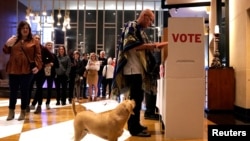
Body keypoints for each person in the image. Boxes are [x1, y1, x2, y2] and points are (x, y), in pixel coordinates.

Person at [111, 9, 167, 137]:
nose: (150, 23)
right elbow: (131, 45)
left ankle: (136, 124)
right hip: (131, 70)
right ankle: (133, 128)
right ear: (145, 17)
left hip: (137, 70)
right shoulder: (131, 26)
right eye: (150, 20)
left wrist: (154, 45)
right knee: (134, 100)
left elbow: (141, 45)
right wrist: (153, 46)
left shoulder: (139, 30)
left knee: (138, 99)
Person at [3, 21, 42, 120]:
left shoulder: (34, 41)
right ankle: (11, 111)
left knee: (25, 91)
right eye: (23, 28)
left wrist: (37, 66)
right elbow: (6, 51)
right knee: (13, 92)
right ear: (19, 30)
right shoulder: (15, 40)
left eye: (27, 28)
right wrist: (7, 43)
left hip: (27, 70)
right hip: (13, 69)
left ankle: (23, 111)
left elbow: (38, 56)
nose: (25, 30)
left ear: (29, 30)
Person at [28, 35, 55, 114]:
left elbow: (51, 58)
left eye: (39, 38)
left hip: (40, 71)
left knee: (39, 88)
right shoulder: (30, 47)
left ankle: (39, 106)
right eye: (36, 38)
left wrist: (44, 63)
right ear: (33, 38)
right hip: (31, 71)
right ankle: (27, 105)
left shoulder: (43, 48)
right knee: (29, 87)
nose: (37, 39)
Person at [43, 41, 59, 109]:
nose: (49, 46)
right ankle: (36, 103)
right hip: (43, 73)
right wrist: (45, 64)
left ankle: (47, 103)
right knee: (39, 88)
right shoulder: (42, 54)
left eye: (50, 45)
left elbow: (57, 65)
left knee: (49, 88)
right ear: (45, 46)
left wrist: (53, 64)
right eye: (48, 45)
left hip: (51, 73)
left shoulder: (54, 55)